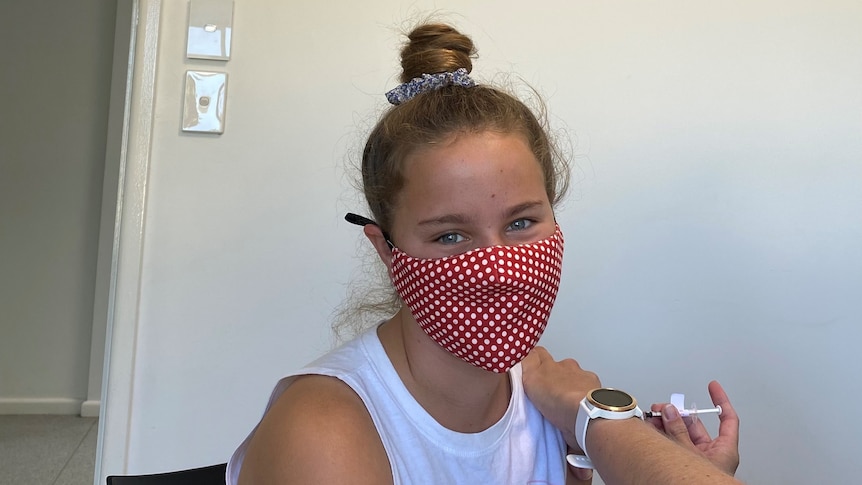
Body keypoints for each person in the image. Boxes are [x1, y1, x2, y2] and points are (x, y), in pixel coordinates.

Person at [227, 22, 741, 485]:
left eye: (521, 223)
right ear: (386, 249)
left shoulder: (548, 403)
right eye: (451, 236)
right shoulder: (324, 431)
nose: (498, 268)